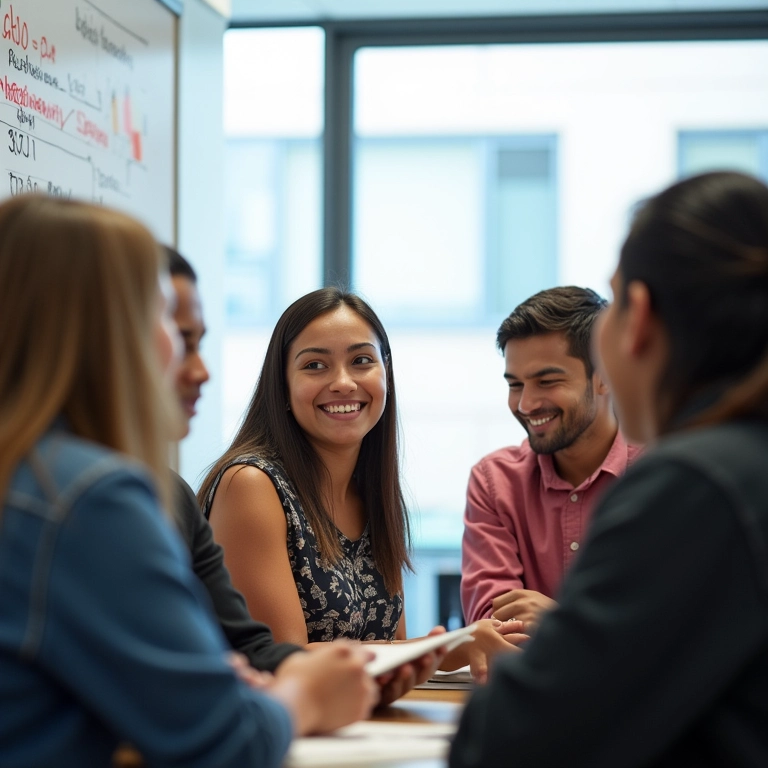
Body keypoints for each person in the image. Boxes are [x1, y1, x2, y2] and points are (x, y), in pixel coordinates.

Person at [0, 196, 377, 768]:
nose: (189, 361)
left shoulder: (34, 478)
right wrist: (304, 696)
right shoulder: (88, 498)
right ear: (103, 330)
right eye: (159, 317)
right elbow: (222, 741)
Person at [450, 170, 768, 767]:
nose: (526, 402)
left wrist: (559, 627)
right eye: (514, 384)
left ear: (639, 318)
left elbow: (512, 737)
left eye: (616, 300)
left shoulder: (692, 484)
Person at [199, 287, 521, 689]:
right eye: (315, 365)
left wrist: (450, 648)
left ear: (385, 373)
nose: (343, 382)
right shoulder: (250, 485)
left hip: (357, 728)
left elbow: (395, 653)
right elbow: (282, 660)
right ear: (281, 385)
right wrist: (448, 645)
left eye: (361, 361)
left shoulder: (375, 495)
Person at [461, 286, 642, 629]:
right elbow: (493, 628)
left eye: (547, 381)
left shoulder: (661, 472)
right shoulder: (494, 482)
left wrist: (561, 618)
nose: (525, 405)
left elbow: (681, 624)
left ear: (604, 377)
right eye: (515, 385)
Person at [166, 245, 302, 672]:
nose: (202, 370)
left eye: (362, 360)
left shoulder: (170, 494)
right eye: (179, 342)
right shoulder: (251, 482)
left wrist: (360, 674)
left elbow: (246, 646)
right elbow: (174, 680)